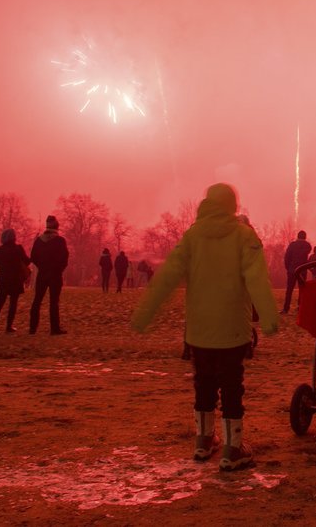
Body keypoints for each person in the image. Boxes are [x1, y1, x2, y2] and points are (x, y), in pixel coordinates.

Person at [131, 183, 279, 472]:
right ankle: (232, 448)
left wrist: (144, 314)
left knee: (204, 384)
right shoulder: (244, 236)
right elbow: (257, 280)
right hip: (233, 330)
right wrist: (271, 318)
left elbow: (167, 276)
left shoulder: (192, 236)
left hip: (198, 331)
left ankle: (203, 441)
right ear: (232, 205)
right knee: (232, 388)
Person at [28, 215, 69, 335]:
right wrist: (59, 269)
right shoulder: (60, 241)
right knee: (54, 302)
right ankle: (54, 328)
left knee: (37, 300)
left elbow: (33, 257)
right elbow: (65, 258)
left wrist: (42, 266)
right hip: (55, 274)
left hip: (42, 273)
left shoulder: (39, 241)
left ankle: (32, 327)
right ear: (57, 227)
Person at [0, 229, 30, 333]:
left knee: (0, 301)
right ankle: (9, 326)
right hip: (15, 277)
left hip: (3, 277)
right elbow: (26, 261)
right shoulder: (18, 248)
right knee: (13, 303)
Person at [281, 230, 312, 314]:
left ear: (298, 236)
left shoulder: (292, 245)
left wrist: (288, 267)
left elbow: (287, 257)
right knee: (302, 289)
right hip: (303, 270)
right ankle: (300, 307)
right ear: (305, 237)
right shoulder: (308, 245)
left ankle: (285, 308)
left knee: (289, 290)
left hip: (292, 270)